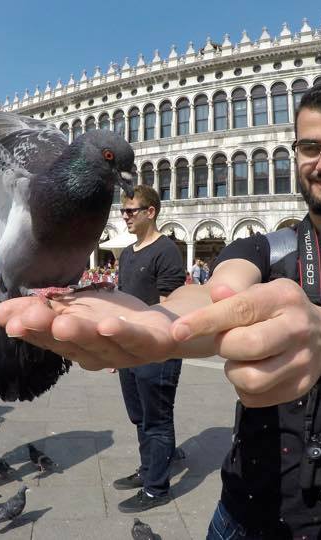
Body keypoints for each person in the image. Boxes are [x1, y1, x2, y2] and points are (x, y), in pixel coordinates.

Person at [0, 81, 321, 538]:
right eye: (311, 147)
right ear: (294, 154)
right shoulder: (261, 250)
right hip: (243, 513)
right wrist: (159, 320)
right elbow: (217, 294)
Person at [112, 185, 186, 513]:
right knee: (138, 416)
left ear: (150, 212)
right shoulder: (127, 254)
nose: (124, 216)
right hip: (128, 350)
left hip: (158, 349)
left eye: (131, 211)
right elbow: (122, 302)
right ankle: (148, 469)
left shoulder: (167, 250)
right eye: (123, 211)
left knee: (157, 419)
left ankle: (157, 488)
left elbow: (171, 306)